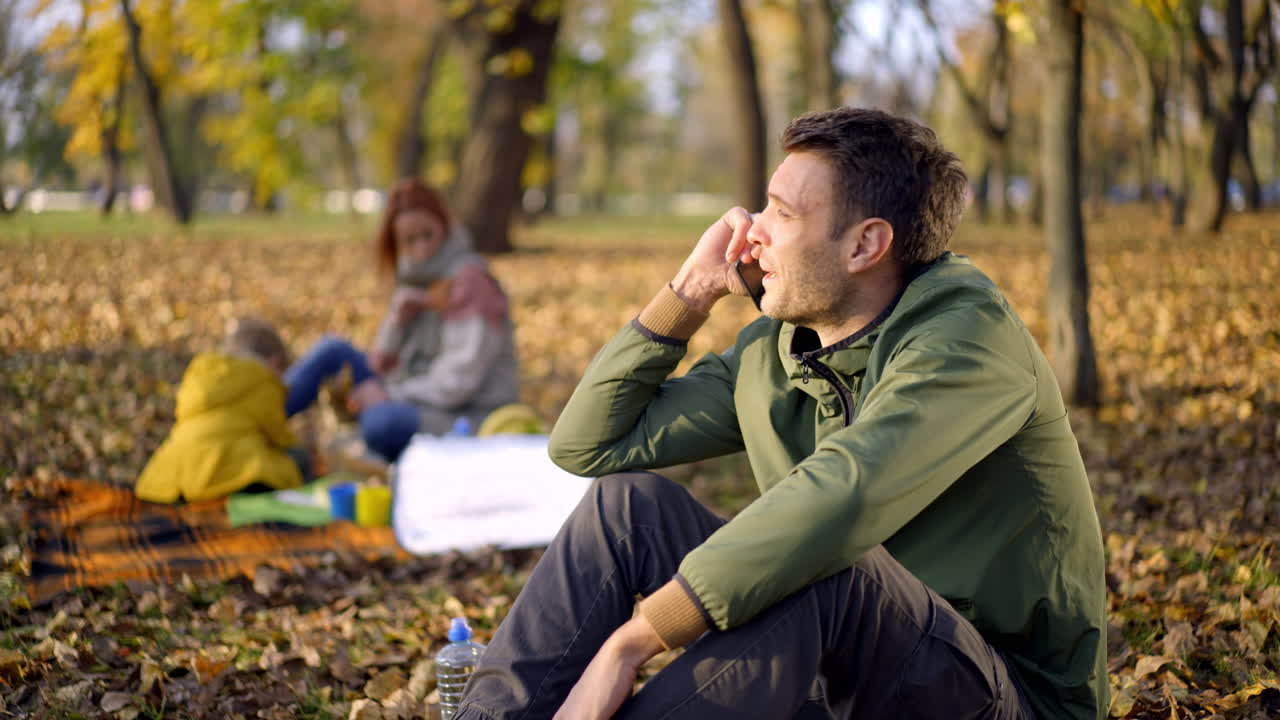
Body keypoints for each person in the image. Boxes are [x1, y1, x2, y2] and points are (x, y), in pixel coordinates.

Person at [454, 108, 1108, 720]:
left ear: (864, 246)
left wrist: (637, 636)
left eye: (782, 212)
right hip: (841, 669)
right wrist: (691, 291)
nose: (749, 227)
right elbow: (586, 447)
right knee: (628, 509)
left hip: (1000, 693)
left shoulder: (967, 340)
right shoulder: (776, 353)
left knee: (831, 564)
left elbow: (842, 500)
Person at [284, 177, 521, 460]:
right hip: (415, 394)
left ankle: (367, 445)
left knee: (382, 423)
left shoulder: (470, 281)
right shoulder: (415, 278)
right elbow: (380, 365)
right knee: (331, 350)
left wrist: (387, 394)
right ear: (396, 244)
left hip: (466, 414)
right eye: (409, 241)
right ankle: (256, 417)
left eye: (427, 235)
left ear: (444, 227)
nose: (421, 249)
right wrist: (396, 323)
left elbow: (459, 383)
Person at [136, 317, 307, 503]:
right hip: (231, 473)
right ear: (275, 362)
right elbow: (278, 435)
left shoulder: (201, 372)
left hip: (171, 474)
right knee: (298, 459)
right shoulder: (264, 380)